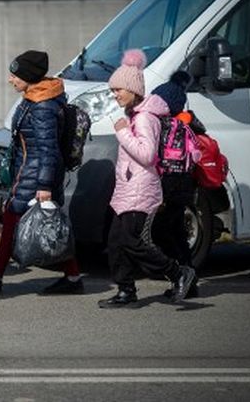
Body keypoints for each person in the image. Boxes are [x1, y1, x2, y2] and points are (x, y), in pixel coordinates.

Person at [99, 49, 196, 308]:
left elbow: (147, 154)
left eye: (118, 89)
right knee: (116, 241)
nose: (115, 94)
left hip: (141, 188)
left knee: (132, 241)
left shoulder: (145, 118)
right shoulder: (135, 115)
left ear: (133, 90)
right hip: (128, 187)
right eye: (113, 90)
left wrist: (121, 133)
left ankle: (178, 273)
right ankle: (125, 291)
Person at [0, 50, 84, 296]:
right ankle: (72, 278)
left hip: (34, 176)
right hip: (29, 172)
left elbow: (47, 149)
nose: (11, 80)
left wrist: (44, 186)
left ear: (28, 76)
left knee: (13, 221)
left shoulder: (42, 106)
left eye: (15, 75)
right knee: (39, 228)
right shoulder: (35, 97)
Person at [150, 71, 200, 298]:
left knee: (162, 232)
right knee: (177, 232)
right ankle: (190, 282)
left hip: (167, 184)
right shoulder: (188, 123)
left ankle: (181, 277)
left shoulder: (163, 126)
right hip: (185, 184)